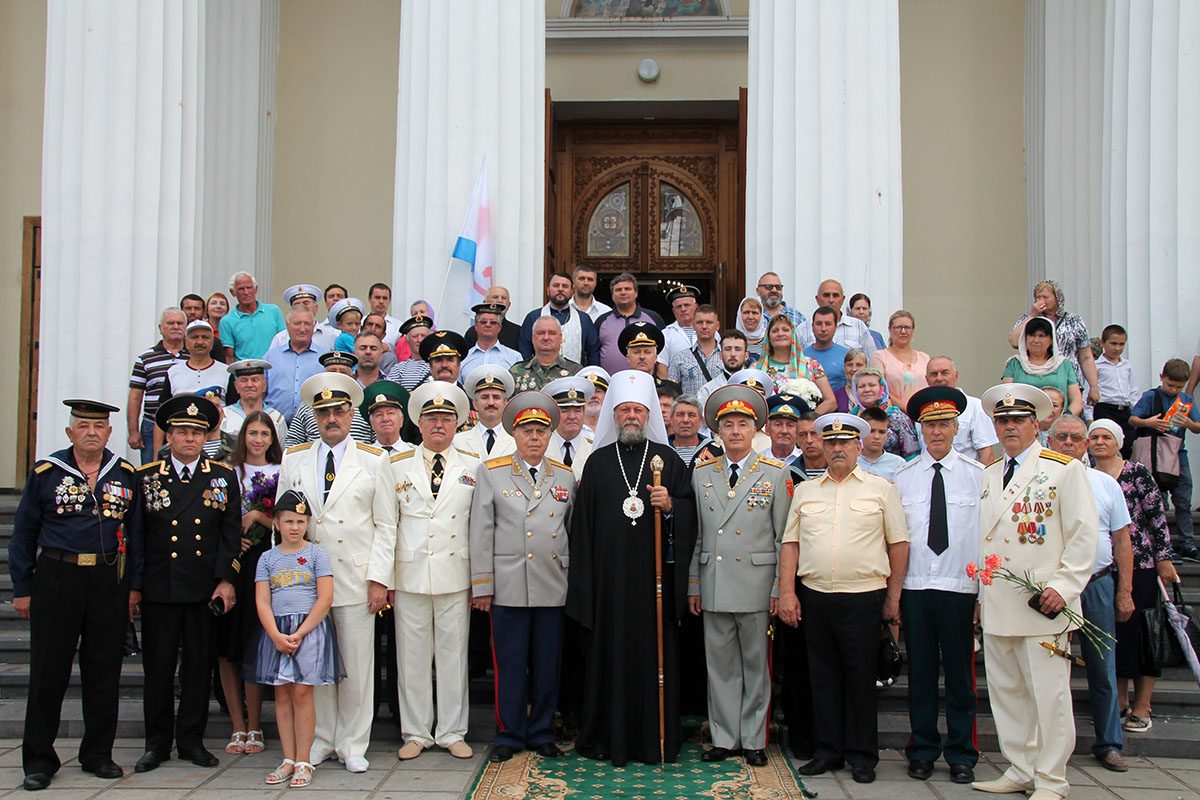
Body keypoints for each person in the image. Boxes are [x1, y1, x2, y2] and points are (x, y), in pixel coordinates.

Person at [971, 383, 1098, 800]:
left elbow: (1083, 535)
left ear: (1035, 424)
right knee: (1007, 694)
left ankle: (1051, 779)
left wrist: (1065, 586)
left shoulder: (1063, 469)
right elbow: (986, 539)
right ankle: (1021, 768)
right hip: (999, 601)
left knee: (1049, 696)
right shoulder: (989, 473)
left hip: (1043, 601)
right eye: (1002, 420)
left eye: (1018, 419)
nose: (1009, 427)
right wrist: (979, 596)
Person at [566, 370, 698, 765]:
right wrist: (587, 584)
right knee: (609, 656)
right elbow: (582, 529)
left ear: (649, 415)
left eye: (638, 410)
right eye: (624, 410)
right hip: (608, 585)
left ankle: (654, 736)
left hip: (655, 585)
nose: (631, 416)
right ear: (613, 415)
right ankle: (607, 735)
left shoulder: (667, 460)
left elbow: (691, 513)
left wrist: (671, 506)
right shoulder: (597, 463)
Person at [11, 400, 142, 791]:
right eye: (83, 425)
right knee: (48, 672)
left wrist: (134, 587)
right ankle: (39, 760)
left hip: (108, 578)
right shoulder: (47, 472)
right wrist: (22, 588)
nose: (91, 432)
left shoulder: (124, 473)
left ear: (109, 432)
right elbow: (23, 534)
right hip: (57, 576)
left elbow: (137, 536)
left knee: (104, 670)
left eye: (99, 426)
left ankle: (98, 754)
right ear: (70, 432)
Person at [779, 413, 909, 783]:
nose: (837, 448)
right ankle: (828, 751)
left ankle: (862, 756)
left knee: (860, 679)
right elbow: (791, 544)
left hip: (863, 597)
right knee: (822, 678)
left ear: (858, 446)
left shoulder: (881, 489)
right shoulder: (806, 491)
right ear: (822, 446)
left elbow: (899, 544)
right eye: (831, 442)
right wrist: (787, 592)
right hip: (816, 596)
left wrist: (893, 598)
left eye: (845, 443)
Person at [277, 373, 389, 772]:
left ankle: (353, 743)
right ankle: (322, 738)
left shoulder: (374, 460)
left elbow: (386, 525)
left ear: (351, 413)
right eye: (323, 412)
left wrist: (380, 579)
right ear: (314, 416)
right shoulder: (294, 458)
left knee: (356, 667)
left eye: (338, 411)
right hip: (307, 582)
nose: (331, 419)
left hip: (356, 577)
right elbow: (282, 523)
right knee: (316, 664)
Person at [133, 394, 240, 773]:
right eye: (182, 432)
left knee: (198, 668)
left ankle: (192, 740)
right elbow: (137, 537)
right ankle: (157, 743)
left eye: (196, 432)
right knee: (158, 669)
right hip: (160, 588)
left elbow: (230, 535)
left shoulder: (222, 476)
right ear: (169, 436)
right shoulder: (146, 477)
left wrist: (227, 579)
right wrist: (135, 587)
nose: (190, 439)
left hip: (202, 589)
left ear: (206, 436)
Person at [375, 382, 480, 761]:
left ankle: (452, 731)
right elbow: (386, 525)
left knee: (454, 657)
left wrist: (480, 580)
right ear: (418, 423)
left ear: (457, 424)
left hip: (456, 573)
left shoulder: (473, 465)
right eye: (432, 418)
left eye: (446, 418)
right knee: (412, 659)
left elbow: (478, 527)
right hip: (410, 575)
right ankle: (416, 732)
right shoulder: (394, 466)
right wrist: (383, 579)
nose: (439, 425)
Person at [688, 385, 790, 766]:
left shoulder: (775, 474)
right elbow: (698, 536)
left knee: (755, 666)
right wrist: (694, 584)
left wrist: (779, 588)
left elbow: (782, 538)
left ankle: (754, 739)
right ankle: (724, 737)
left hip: (756, 586)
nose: (735, 431)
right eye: (728, 425)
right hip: (714, 582)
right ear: (717, 431)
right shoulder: (702, 474)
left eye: (742, 424)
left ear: (755, 430)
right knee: (720, 667)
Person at [469, 391, 574, 762]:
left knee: (547, 665)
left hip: (551, 583)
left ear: (550, 436)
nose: (534, 437)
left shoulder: (565, 476)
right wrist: (482, 585)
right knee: (510, 664)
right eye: (527, 430)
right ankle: (509, 733)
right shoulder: (492, 472)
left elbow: (571, 530)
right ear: (514, 434)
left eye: (541, 431)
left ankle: (542, 731)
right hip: (509, 584)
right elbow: (481, 531)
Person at [892, 387, 982, 785]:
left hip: (960, 589)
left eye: (944, 424)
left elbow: (984, 538)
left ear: (957, 427)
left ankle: (962, 753)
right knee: (922, 675)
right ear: (920, 430)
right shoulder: (903, 477)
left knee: (961, 679)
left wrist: (982, 596)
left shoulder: (978, 476)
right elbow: (897, 538)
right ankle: (923, 750)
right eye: (930, 425)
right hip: (916, 588)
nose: (937, 432)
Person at [1047, 414, 1134, 772]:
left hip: (1097, 584)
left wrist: (1124, 590)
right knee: (1050, 670)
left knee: (1102, 665)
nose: (1069, 443)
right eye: (1062, 437)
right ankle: (1052, 747)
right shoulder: (1040, 481)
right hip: (1053, 588)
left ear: (1085, 445)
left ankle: (1109, 743)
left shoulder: (1104, 483)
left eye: (1076, 438)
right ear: (1049, 441)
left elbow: (1122, 540)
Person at [1087, 419, 1179, 734]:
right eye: (1094, 437)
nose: (1100, 442)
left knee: (1145, 634)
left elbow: (1157, 518)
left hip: (1141, 565)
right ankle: (1120, 701)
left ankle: (1143, 704)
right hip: (1103, 568)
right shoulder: (1086, 475)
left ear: (1119, 442)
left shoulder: (1137, 473)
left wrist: (1164, 558)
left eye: (1106, 437)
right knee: (1117, 636)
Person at [244, 490, 341, 789]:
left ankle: (303, 760)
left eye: (300, 521)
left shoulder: (316, 555)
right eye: (288, 521)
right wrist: (275, 634)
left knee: (302, 692)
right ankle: (288, 758)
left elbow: (325, 598)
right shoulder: (267, 558)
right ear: (276, 523)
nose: (295, 527)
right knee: (282, 694)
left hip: (308, 631)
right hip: (277, 631)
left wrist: (300, 632)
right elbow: (262, 600)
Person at [218, 410, 281, 759]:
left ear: (272, 439)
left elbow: (291, 519)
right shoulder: (228, 472)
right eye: (252, 433)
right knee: (227, 643)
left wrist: (257, 516)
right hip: (231, 562)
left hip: (265, 560)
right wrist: (232, 539)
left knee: (254, 641)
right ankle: (237, 724)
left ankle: (255, 722)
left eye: (264, 434)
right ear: (243, 437)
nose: (258, 440)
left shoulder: (282, 471)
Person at [1130, 358, 1200, 561]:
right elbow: (1133, 419)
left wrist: (1188, 423)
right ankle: (1163, 545)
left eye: (1178, 387)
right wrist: (1149, 423)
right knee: (1158, 502)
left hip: (1178, 455)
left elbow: (1197, 426)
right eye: (1170, 385)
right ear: (1162, 377)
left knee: (1183, 501)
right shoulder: (1151, 396)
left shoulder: (1185, 399)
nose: (1173, 390)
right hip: (1154, 455)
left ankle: (1188, 544)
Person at [1007, 279, 1101, 406]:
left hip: (1068, 381)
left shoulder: (1074, 321)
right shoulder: (1028, 319)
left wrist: (1094, 386)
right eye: (1038, 297)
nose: (1041, 301)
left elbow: (1086, 357)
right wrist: (1032, 315)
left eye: (1045, 297)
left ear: (1057, 298)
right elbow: (1014, 341)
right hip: (1035, 378)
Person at [155, 320, 228, 454]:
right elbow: (162, 414)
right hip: (181, 445)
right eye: (194, 337)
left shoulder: (226, 372)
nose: (200, 342)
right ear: (186, 343)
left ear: (212, 343)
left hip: (218, 448)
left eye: (205, 337)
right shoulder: (173, 372)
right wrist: (156, 456)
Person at [128, 307, 189, 464]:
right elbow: (135, 397)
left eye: (180, 323)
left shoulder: (194, 357)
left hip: (187, 426)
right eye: (170, 323)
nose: (175, 326)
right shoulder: (145, 358)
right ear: (161, 328)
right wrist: (133, 431)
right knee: (151, 470)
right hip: (152, 425)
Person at [285, 352, 376, 447]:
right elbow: (292, 441)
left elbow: (378, 439)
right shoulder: (308, 405)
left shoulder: (366, 403)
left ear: (352, 376)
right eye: (332, 371)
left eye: (343, 372)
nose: (337, 375)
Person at [923, 356, 998, 465]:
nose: (939, 378)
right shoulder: (922, 409)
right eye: (933, 374)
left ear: (956, 376)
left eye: (945, 373)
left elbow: (987, 455)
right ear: (926, 379)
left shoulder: (975, 407)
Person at [1002, 317, 1083, 417]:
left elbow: (1077, 401)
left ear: (1051, 340)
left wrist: (1065, 419)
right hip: (1022, 420)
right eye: (1032, 335)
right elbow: (1006, 396)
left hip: (1058, 421)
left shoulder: (1064, 364)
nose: (1036, 340)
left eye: (1041, 336)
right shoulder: (1014, 364)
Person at [519, 272, 600, 366]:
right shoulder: (533, 317)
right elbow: (524, 351)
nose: (560, 289)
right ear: (548, 290)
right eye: (556, 285)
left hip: (575, 374)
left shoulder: (584, 319)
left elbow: (593, 353)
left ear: (572, 291)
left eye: (565, 286)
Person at [594, 273, 666, 374]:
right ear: (612, 295)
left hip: (646, 380)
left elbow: (663, 352)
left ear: (636, 293)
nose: (623, 292)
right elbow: (593, 353)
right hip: (611, 381)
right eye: (618, 290)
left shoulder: (653, 318)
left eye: (627, 289)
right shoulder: (601, 321)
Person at [264, 308, 324, 424]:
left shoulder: (324, 357)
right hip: (275, 424)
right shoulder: (271, 357)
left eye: (307, 324)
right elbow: (262, 392)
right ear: (287, 325)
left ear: (313, 326)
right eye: (297, 323)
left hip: (312, 425)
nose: (302, 328)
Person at [792, 279, 878, 358]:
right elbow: (794, 362)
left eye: (835, 295)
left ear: (843, 299)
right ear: (817, 299)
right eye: (826, 295)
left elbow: (871, 360)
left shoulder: (858, 326)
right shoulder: (802, 330)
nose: (831, 300)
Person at [850, 367, 919, 459]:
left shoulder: (897, 417)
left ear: (881, 389)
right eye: (862, 386)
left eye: (872, 385)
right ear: (855, 391)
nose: (867, 389)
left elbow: (911, 454)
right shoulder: (851, 419)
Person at [1093, 324, 1139, 457]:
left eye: (1121, 344)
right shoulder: (1096, 365)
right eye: (1113, 343)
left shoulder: (1127, 365)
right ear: (1103, 342)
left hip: (1124, 411)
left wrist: (1136, 412)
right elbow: (1089, 391)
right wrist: (1090, 418)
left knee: (1127, 445)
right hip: (1105, 408)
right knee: (1107, 445)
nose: (1117, 348)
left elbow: (1133, 390)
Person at [219, 271, 286, 361]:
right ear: (233, 292)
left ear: (256, 289)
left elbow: (284, 342)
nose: (246, 292)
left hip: (273, 367)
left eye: (249, 287)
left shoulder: (274, 311)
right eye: (241, 289)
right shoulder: (227, 321)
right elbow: (229, 357)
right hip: (244, 369)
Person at [870, 310, 930, 409]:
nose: (903, 331)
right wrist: (908, 409)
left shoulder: (925, 358)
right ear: (890, 329)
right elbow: (881, 389)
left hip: (924, 412)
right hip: (894, 412)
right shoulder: (879, 356)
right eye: (898, 327)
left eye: (907, 327)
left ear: (913, 330)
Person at [456, 364, 517, 459]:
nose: (491, 402)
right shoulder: (458, 441)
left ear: (505, 403)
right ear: (475, 404)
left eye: (496, 397)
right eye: (485, 397)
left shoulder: (517, 440)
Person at [222, 359, 287, 443]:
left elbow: (282, 450)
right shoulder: (224, 416)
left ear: (264, 385)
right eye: (244, 380)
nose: (249, 385)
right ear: (236, 386)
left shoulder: (277, 418)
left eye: (255, 380)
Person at [511, 317, 582, 392]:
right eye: (541, 333)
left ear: (561, 338)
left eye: (552, 333)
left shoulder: (576, 372)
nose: (546, 337)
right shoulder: (516, 371)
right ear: (533, 338)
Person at [544, 375, 596, 478]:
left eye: (577, 410)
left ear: (584, 412)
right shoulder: (542, 447)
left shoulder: (594, 449)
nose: (572, 416)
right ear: (554, 413)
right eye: (565, 410)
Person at [667, 303, 722, 396]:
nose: (704, 326)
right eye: (699, 322)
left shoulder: (727, 357)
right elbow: (671, 393)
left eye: (709, 322)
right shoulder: (679, 358)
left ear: (717, 325)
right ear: (693, 325)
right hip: (690, 405)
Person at [269, 285, 339, 353]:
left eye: (306, 303)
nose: (302, 307)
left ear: (316, 307)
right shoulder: (280, 338)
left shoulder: (330, 336)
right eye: (297, 304)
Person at [461, 301, 523, 377]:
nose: (488, 325)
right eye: (483, 322)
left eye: (493, 322)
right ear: (476, 326)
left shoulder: (514, 357)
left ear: (499, 327)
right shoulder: (464, 358)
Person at [801, 307, 850, 391]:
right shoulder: (802, 356)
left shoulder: (846, 355)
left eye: (828, 324)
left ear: (835, 327)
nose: (823, 329)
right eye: (819, 324)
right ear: (812, 327)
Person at [464, 286, 523, 352]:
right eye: (495, 297)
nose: (500, 301)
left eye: (504, 298)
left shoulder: (519, 332)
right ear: (485, 302)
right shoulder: (472, 332)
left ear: (509, 305)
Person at [857, 406, 907, 481]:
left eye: (882, 432)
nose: (877, 437)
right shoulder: (851, 461)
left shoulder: (898, 464)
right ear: (861, 432)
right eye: (871, 431)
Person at [386, 315, 434, 390]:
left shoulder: (439, 365)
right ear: (407, 341)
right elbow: (392, 393)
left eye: (423, 336)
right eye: (415, 336)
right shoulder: (398, 370)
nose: (420, 340)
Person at [668, 394, 710, 468]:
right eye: (680, 415)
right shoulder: (663, 449)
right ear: (671, 420)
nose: (686, 420)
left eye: (691, 415)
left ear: (701, 421)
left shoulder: (714, 450)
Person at [366, 282, 404, 350]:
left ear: (389, 301)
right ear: (369, 299)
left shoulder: (399, 327)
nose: (381, 301)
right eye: (377, 297)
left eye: (385, 298)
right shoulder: (359, 322)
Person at [578, 366, 610, 436]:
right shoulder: (570, 429)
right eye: (588, 392)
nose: (593, 396)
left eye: (598, 391)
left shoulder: (615, 427)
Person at [736, 296, 767, 362]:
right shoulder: (732, 341)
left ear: (761, 315)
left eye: (754, 313)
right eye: (746, 312)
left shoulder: (770, 341)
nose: (750, 317)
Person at [206, 292, 233, 363]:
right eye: (214, 303)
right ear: (207, 309)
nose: (218, 306)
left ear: (227, 310)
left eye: (222, 304)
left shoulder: (232, 330)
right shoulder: (202, 330)